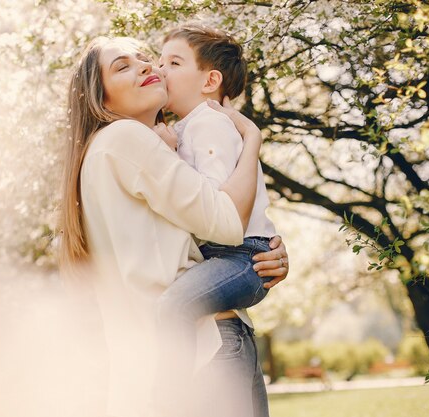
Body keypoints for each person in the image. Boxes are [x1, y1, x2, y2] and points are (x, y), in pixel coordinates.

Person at [58, 36, 289, 417]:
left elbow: (200, 234)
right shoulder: (126, 138)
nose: (147, 67)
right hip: (204, 349)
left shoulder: (109, 151)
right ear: (100, 98)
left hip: (198, 343)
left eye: (145, 59)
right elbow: (228, 221)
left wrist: (265, 254)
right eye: (122, 67)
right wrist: (252, 139)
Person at [151, 25, 284, 417]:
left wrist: (169, 156)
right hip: (232, 257)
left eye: (174, 63)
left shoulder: (207, 123)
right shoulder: (186, 128)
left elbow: (216, 206)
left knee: (174, 305)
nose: (161, 71)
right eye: (160, 62)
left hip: (242, 257)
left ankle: (169, 394)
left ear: (210, 81)